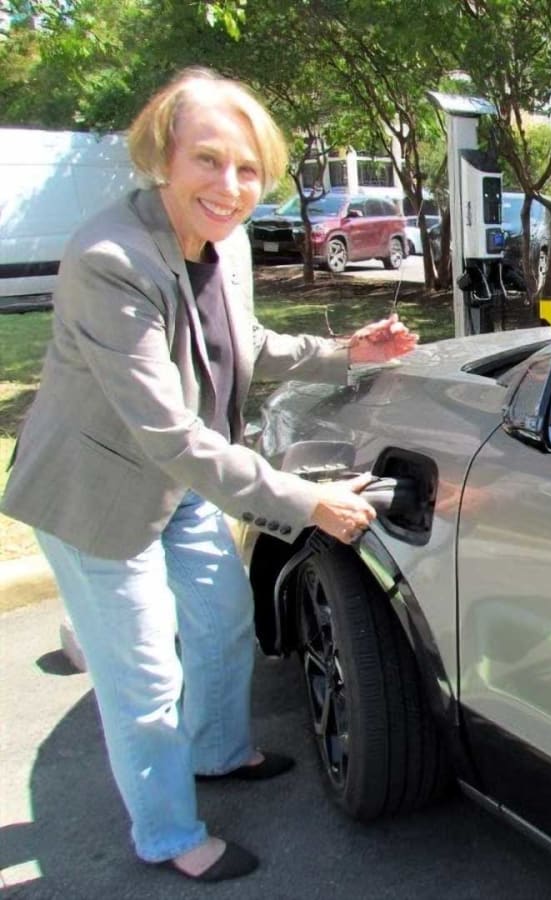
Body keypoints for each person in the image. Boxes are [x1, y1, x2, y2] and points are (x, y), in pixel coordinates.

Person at [0, 67, 418, 883]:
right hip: (97, 494)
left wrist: (344, 352)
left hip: (183, 477)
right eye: (208, 160)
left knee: (225, 619)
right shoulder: (110, 259)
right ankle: (166, 836)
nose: (229, 187)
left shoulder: (221, 246)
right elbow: (168, 431)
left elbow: (246, 344)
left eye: (248, 168)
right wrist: (305, 503)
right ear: (163, 154)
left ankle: (218, 753)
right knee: (145, 674)